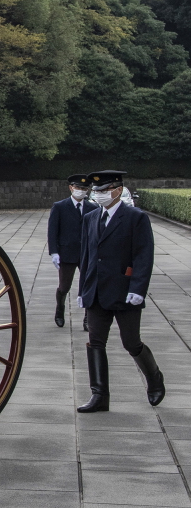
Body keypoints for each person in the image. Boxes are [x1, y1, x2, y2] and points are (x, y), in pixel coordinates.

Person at [76, 170, 165, 412]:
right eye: (96, 191)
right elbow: (86, 257)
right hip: (96, 291)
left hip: (124, 291)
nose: (99, 195)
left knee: (131, 343)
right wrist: (82, 288)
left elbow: (143, 256)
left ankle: (154, 378)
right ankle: (99, 395)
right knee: (95, 342)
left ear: (117, 190)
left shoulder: (135, 217)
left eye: (103, 190)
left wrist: (138, 288)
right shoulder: (91, 218)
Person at [47, 173, 97, 328]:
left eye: (84, 188)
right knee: (64, 287)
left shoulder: (92, 207)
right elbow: (52, 231)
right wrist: (54, 252)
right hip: (67, 253)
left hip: (86, 254)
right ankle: (59, 309)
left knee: (88, 286)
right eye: (78, 187)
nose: (81, 191)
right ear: (70, 188)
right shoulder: (60, 206)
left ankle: (88, 318)